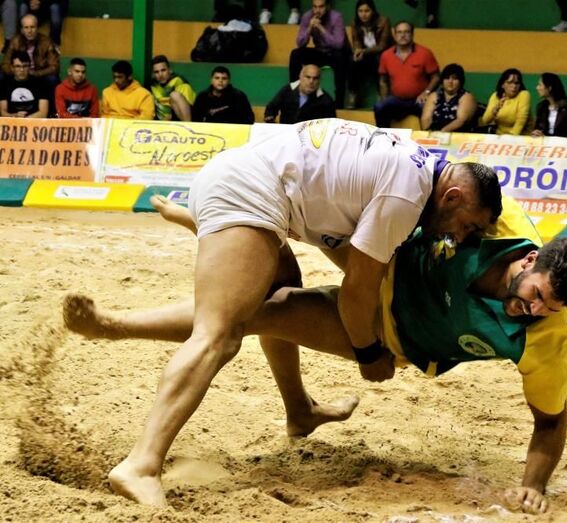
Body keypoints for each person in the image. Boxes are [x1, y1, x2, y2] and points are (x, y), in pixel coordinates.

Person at [63, 197, 567, 515]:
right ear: (530, 260)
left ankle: (113, 326)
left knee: (263, 311)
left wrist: (532, 484)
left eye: (547, 309)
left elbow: (550, 421)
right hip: (382, 259)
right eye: (535, 295)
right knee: (303, 221)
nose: (531, 310)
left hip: (386, 334)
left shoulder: (547, 337)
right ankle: (207, 220)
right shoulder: (495, 218)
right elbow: (432, 189)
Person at [68, 118, 501, 507]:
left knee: (281, 294)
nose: (462, 237)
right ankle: (140, 465)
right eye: (468, 226)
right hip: (248, 195)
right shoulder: (407, 194)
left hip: (248, 186)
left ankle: (299, 411)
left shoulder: (412, 166)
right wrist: (369, 353)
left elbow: (342, 246)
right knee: (219, 336)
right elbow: (356, 291)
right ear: (453, 195)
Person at [374, 20, 439, 128]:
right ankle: (383, 136)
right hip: (397, 99)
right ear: (394, 35)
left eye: (406, 32)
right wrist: (384, 97)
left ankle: (427, 138)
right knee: (380, 106)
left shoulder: (425, 53)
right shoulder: (386, 55)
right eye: (399, 32)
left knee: (429, 111)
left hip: (419, 99)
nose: (403, 35)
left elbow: (436, 77)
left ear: (412, 34)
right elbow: (383, 80)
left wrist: (426, 92)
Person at [288, 0, 347, 108]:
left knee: (340, 58)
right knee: (296, 54)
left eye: (321, 7)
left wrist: (321, 28)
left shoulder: (336, 17)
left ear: (327, 6)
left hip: (335, 53)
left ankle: (339, 101)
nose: (317, 10)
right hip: (319, 51)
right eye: (315, 7)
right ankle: (294, 95)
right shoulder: (307, 16)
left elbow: (339, 44)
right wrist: (309, 28)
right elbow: (300, 43)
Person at [0, 14, 59, 98]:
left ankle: (52, 106)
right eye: (26, 27)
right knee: (1, 76)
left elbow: (54, 67)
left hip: (38, 74)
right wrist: (17, 71)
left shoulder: (46, 42)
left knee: (52, 79)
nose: (29, 31)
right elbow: (5, 64)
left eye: (32, 27)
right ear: (22, 30)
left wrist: (36, 73)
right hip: (19, 73)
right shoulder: (15, 41)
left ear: (37, 28)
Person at [346, 0, 392, 109]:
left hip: (383, 53)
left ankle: (381, 95)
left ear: (373, 11)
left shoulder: (383, 21)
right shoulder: (355, 22)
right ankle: (353, 94)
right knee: (352, 60)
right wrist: (357, 51)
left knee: (379, 59)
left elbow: (382, 46)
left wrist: (363, 51)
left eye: (367, 11)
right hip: (366, 53)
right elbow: (356, 41)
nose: (363, 14)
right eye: (360, 11)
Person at [264, 63, 336, 123]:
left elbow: (332, 124)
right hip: (286, 133)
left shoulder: (326, 100)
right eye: (308, 77)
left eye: (315, 78)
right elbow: (271, 107)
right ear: (300, 77)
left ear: (319, 80)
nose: (311, 81)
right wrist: (270, 117)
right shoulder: (287, 90)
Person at [420, 63, 477, 132]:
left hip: (458, 134)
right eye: (447, 78)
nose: (450, 81)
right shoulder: (434, 95)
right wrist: (428, 133)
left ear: (460, 81)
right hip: (434, 134)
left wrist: (442, 132)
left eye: (454, 78)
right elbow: (426, 118)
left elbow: (461, 120)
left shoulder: (467, 97)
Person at [478, 68, 531, 136]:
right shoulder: (495, 96)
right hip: (500, 136)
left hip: (521, 136)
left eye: (517, 83)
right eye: (509, 82)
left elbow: (521, 120)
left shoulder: (524, 94)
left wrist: (512, 137)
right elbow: (485, 121)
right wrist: (494, 111)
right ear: (502, 85)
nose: (514, 86)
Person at [0, 50, 48, 118]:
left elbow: (43, 113)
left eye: (25, 66)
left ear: (29, 67)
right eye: (18, 66)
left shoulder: (40, 83)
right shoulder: (4, 84)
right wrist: (15, 116)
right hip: (12, 122)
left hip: (34, 122)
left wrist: (25, 120)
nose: (22, 70)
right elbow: (3, 113)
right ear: (12, 68)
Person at [532, 72, 567, 138]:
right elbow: (538, 128)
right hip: (544, 142)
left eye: (540, 85)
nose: (537, 88)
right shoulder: (541, 107)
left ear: (549, 88)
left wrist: (548, 138)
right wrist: (537, 132)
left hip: (562, 143)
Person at [150, 55, 196, 122]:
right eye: (156, 72)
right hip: (159, 123)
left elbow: (191, 108)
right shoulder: (152, 86)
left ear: (170, 70)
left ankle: (188, 126)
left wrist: (171, 117)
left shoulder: (180, 83)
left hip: (179, 121)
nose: (160, 75)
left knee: (174, 95)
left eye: (163, 70)